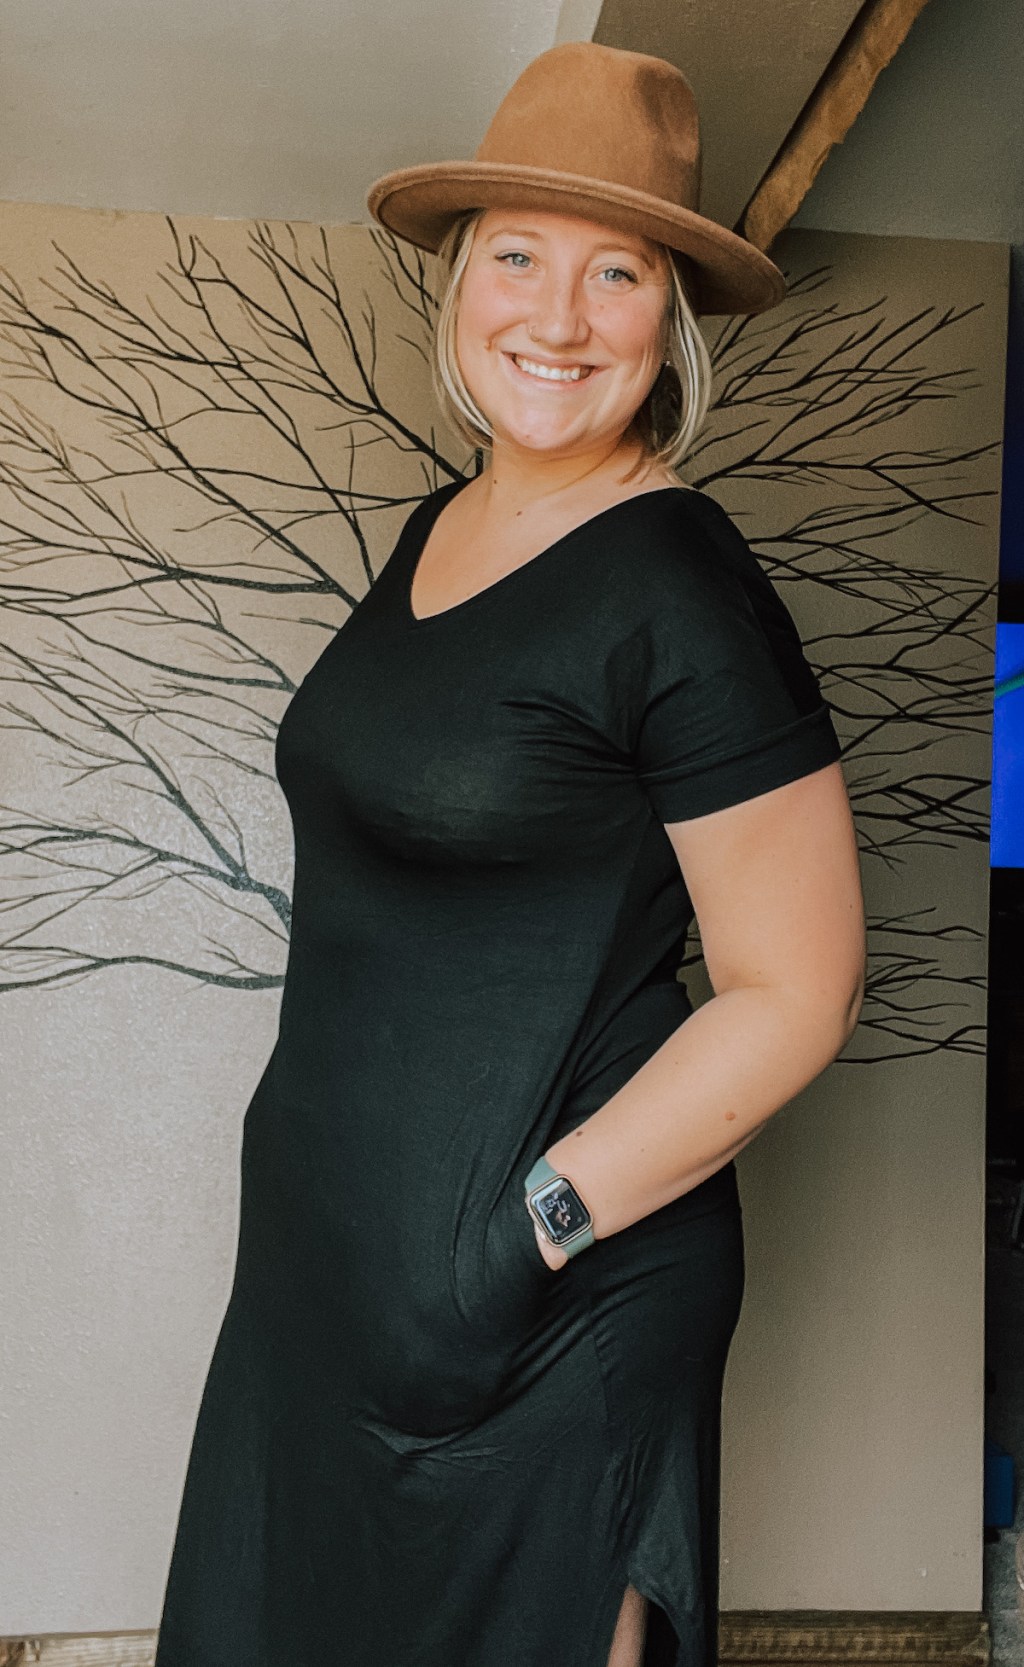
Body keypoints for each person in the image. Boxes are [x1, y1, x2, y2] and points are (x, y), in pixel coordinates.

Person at [153, 39, 866, 1667]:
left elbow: (797, 988)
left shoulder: (678, 582)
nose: (556, 318)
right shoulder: (443, 522)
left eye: (616, 272)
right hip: (325, 1288)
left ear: (670, 319)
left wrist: (530, 1225)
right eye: (518, 258)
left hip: (543, 1307)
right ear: (460, 284)